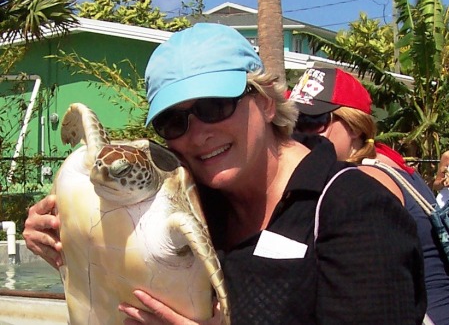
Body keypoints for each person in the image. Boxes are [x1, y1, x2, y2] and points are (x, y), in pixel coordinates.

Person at [24, 23, 426, 325]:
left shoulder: (353, 209)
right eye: (173, 121)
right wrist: (58, 232)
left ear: (267, 100)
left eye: (216, 106)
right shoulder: (195, 202)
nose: (198, 133)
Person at [291, 67, 449, 325]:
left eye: (313, 121)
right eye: (294, 121)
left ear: (354, 126)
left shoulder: (362, 182)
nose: (301, 133)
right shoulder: (389, 161)